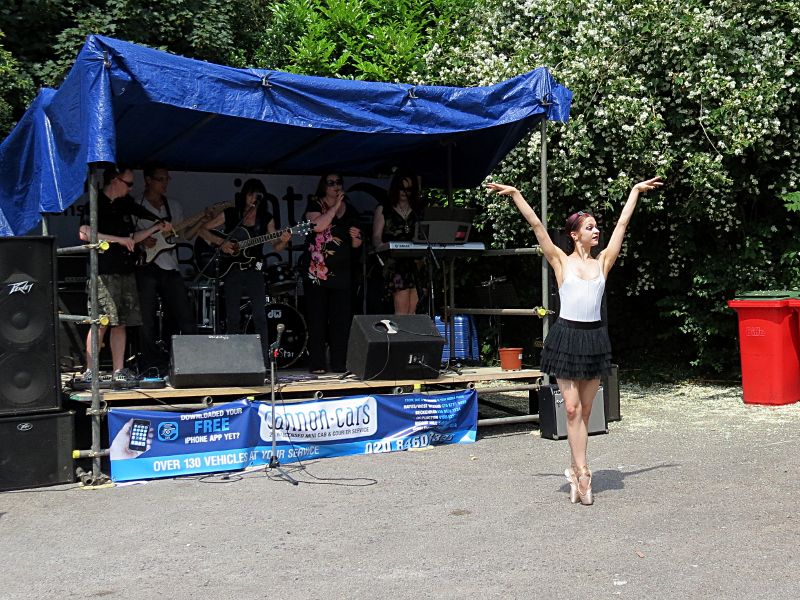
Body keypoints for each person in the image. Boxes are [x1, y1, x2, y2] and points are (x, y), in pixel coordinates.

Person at [486, 176, 663, 505]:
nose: (596, 231)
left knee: (586, 412)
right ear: (574, 234)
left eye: (597, 227)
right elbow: (537, 225)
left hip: (593, 339)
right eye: (590, 227)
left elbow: (623, 223)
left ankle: (573, 466)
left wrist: (635, 191)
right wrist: (515, 193)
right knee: (570, 409)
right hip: (566, 336)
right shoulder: (560, 260)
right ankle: (583, 473)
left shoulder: (603, 262)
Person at [77, 165, 168, 388]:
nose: (131, 188)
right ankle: (90, 370)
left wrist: (155, 227)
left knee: (122, 322)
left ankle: (119, 370)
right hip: (104, 272)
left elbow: (132, 237)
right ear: (115, 181)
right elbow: (84, 232)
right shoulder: (95, 203)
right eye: (128, 184)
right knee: (101, 322)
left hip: (125, 271)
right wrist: (119, 240)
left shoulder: (125, 206)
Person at [200, 178, 290, 365]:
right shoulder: (232, 214)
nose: (253, 198)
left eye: (257, 195)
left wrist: (285, 239)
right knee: (233, 316)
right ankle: (234, 361)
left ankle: (264, 363)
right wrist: (222, 243)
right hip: (232, 269)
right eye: (250, 194)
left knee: (259, 315)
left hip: (254, 269)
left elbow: (276, 246)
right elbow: (203, 230)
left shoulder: (265, 218)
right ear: (244, 195)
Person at [134, 164, 198, 376]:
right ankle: (150, 363)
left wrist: (201, 221)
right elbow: (129, 235)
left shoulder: (174, 206)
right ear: (148, 180)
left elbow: (182, 235)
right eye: (161, 179)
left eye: (167, 179)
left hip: (170, 266)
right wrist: (145, 240)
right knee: (146, 318)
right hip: (146, 266)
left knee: (183, 314)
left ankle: (187, 361)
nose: (165, 183)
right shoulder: (135, 204)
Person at [300, 173, 363, 374]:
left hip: (342, 272)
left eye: (339, 183)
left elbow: (356, 243)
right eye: (331, 183)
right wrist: (335, 207)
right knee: (317, 318)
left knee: (341, 320)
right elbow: (318, 226)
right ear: (323, 186)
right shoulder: (314, 205)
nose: (336, 186)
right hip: (317, 273)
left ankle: (339, 362)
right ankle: (317, 363)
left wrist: (356, 238)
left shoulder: (350, 209)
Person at [371, 172, 427, 314]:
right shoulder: (384, 209)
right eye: (401, 188)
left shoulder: (418, 211)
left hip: (416, 263)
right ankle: (401, 336)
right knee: (401, 310)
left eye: (409, 190)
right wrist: (381, 246)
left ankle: (412, 336)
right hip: (395, 263)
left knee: (413, 311)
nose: (404, 192)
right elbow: (376, 236)